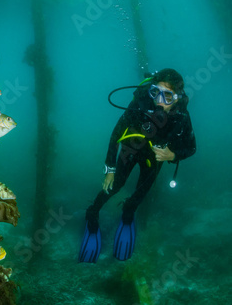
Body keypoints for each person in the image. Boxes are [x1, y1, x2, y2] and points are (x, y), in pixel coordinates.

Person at [79, 68, 196, 263]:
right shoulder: (140, 104)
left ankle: (127, 215)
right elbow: (116, 133)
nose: (159, 100)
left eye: (167, 96)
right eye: (155, 92)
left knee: (140, 194)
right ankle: (92, 214)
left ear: (177, 98)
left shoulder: (181, 116)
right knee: (114, 186)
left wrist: (172, 154)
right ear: (149, 91)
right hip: (130, 150)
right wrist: (110, 169)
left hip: (154, 159)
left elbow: (191, 147)